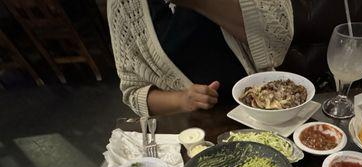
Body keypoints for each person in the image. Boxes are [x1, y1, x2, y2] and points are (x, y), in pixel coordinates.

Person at [107, 0, 294, 116]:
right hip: (192, 130)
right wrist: (182, 100)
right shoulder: (124, 6)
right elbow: (133, 92)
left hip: (263, 109)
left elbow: (279, 37)